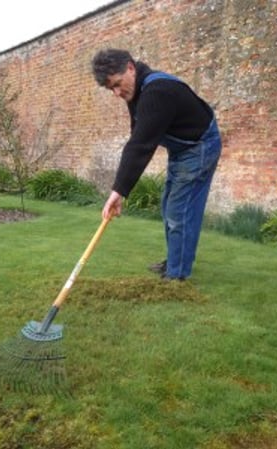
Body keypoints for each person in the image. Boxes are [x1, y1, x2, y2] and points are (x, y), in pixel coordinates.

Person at [91, 48, 222, 281]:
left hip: (200, 147)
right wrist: (122, 187)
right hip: (183, 149)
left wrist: (118, 191)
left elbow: (141, 145)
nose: (117, 92)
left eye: (118, 84)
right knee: (168, 205)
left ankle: (177, 274)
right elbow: (138, 135)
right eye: (111, 88)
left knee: (179, 210)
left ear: (130, 67)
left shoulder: (157, 91)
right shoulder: (136, 91)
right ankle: (175, 261)